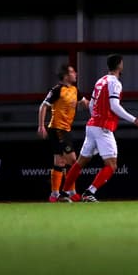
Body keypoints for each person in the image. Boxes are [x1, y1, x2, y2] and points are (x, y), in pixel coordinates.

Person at [62, 54, 138, 202]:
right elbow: (114, 106)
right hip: (103, 128)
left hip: (92, 125)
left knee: (81, 162)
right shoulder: (115, 83)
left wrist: (95, 117)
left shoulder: (100, 81)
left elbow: (91, 105)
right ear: (119, 65)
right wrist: (134, 120)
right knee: (112, 165)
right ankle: (90, 192)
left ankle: (64, 193)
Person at [37, 63, 89, 202]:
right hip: (57, 128)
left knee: (60, 162)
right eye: (72, 72)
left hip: (65, 129)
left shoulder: (74, 90)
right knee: (73, 160)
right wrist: (41, 126)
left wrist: (97, 105)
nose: (75, 74)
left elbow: (85, 102)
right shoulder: (57, 90)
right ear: (66, 75)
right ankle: (70, 192)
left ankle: (55, 195)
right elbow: (43, 106)